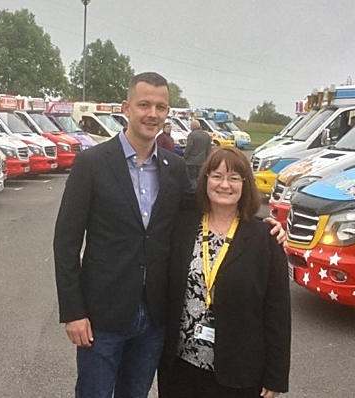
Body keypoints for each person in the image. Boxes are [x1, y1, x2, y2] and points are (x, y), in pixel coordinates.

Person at [54, 72, 285, 398]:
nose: (152, 113)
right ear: (127, 107)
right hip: (102, 316)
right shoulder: (91, 164)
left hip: (156, 319)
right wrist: (73, 311)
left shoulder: (173, 168)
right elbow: (65, 242)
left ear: (167, 113)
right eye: (144, 104)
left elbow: (213, 199)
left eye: (160, 107)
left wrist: (261, 223)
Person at [158, 147, 291, 398]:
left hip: (239, 373)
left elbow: (278, 313)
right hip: (180, 367)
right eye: (216, 176)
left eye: (234, 178)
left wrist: (275, 377)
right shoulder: (183, 226)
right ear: (205, 180)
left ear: (245, 184)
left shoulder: (265, 238)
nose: (224, 185)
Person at [183, 119, 212, 192]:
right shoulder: (206, 135)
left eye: (190, 126)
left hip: (191, 162)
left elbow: (189, 147)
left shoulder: (192, 135)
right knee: (200, 178)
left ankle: (194, 193)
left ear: (193, 126)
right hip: (202, 162)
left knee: (192, 178)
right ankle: (201, 192)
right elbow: (209, 149)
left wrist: (185, 156)